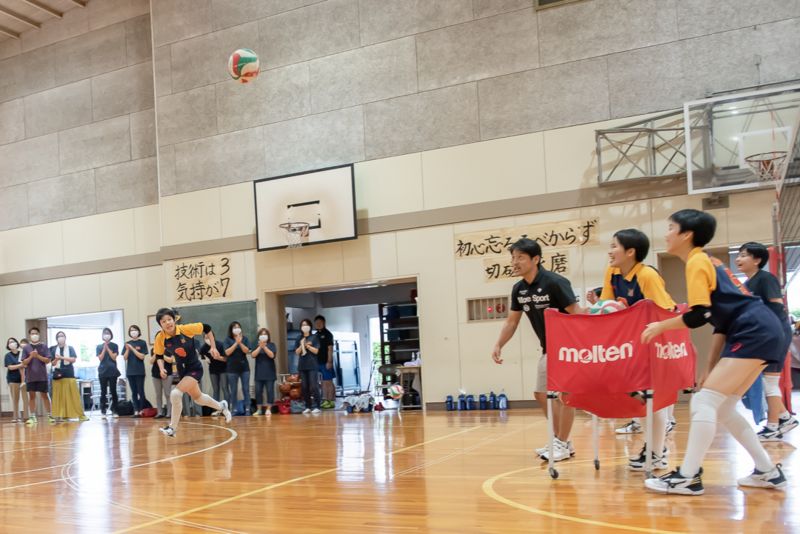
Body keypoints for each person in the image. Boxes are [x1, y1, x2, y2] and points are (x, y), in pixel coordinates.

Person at [641, 209, 786, 495]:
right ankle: (767, 470)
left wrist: (661, 326)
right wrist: (708, 368)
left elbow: (699, 315)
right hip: (758, 330)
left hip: (753, 330)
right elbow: (719, 325)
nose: (666, 233)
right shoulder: (709, 261)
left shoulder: (696, 262)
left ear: (687, 235)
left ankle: (688, 476)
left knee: (703, 403)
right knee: (724, 407)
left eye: (671, 227)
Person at [491, 238, 585, 461]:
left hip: (567, 347)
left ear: (536, 259)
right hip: (548, 348)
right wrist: (498, 344)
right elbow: (512, 322)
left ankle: (561, 442)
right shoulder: (519, 289)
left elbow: (577, 314)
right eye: (513, 258)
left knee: (563, 396)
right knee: (541, 393)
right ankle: (560, 441)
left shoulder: (555, 282)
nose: (515, 262)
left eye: (520, 258)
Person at [598, 228, 678, 471]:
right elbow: (605, 305)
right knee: (639, 400)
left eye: (614, 246)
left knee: (655, 401)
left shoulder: (647, 276)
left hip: (657, 344)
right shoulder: (612, 273)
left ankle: (657, 452)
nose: (610, 251)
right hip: (630, 346)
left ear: (630, 251)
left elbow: (666, 311)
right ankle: (654, 448)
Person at [735, 242, 798, 441]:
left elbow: (776, 307)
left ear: (757, 260)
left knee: (769, 381)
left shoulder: (766, 279)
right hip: (764, 336)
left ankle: (774, 426)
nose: (738, 259)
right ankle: (784, 418)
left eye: (744, 255)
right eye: (738, 255)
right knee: (765, 381)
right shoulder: (747, 284)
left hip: (774, 334)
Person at [153, 308, 231, 437]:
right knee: (198, 398)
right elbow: (159, 355)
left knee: (175, 393)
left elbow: (207, 328)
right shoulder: (160, 337)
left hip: (194, 368)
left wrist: (213, 347)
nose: (167, 323)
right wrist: (161, 368)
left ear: (174, 320)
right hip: (182, 370)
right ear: (160, 324)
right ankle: (222, 406)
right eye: (163, 321)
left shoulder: (185, 329)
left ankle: (172, 428)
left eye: (169, 319)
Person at [49, 331, 87, 422]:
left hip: (69, 374)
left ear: (65, 338)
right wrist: (56, 359)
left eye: (62, 336)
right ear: (56, 339)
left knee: (73, 395)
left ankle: (80, 415)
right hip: (58, 375)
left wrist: (62, 358)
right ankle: (63, 415)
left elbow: (73, 359)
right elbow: (52, 363)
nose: (60, 337)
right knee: (60, 396)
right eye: (58, 336)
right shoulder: (53, 349)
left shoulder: (70, 348)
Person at [21, 327, 53, 424]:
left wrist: (38, 356)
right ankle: (32, 416)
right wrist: (31, 356)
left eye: (36, 333)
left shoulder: (44, 346)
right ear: (29, 335)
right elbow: (24, 363)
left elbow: (48, 360)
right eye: (32, 333)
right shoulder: (26, 348)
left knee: (45, 396)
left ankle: (50, 415)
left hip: (42, 376)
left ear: (39, 334)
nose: (34, 335)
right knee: (32, 396)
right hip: (30, 376)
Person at [224, 321, 252, 416]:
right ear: (231, 330)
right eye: (234, 327)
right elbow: (227, 352)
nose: (237, 329)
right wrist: (236, 343)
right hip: (232, 369)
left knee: (246, 389)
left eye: (238, 327)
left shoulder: (245, 339)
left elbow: (246, 350)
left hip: (244, 368)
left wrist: (240, 343)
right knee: (234, 389)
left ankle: (247, 408)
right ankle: (234, 409)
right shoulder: (227, 340)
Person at [295, 318, 321, 414]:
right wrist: (301, 345)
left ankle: (317, 405)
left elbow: (316, 351)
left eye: (306, 325)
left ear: (310, 326)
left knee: (314, 386)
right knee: (304, 386)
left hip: (312, 365)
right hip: (302, 365)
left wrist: (308, 346)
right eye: (302, 325)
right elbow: (297, 352)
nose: (304, 326)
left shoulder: (314, 337)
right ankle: (308, 406)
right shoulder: (299, 338)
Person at [251, 328, 277, 416]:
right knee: (258, 391)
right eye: (261, 334)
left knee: (270, 391)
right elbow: (253, 355)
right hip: (259, 372)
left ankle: (269, 409)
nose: (263, 335)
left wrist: (264, 347)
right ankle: (259, 409)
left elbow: (272, 355)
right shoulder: (256, 345)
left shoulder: (271, 344)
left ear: (268, 336)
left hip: (270, 372)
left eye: (265, 334)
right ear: (259, 336)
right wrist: (260, 347)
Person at [199, 334, 227, 415]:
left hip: (223, 369)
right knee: (215, 389)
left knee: (224, 388)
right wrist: (205, 359)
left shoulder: (220, 344)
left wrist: (218, 358)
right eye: (206, 338)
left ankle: (228, 408)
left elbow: (226, 358)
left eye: (209, 337)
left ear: (213, 337)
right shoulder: (204, 347)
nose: (208, 339)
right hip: (213, 370)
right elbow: (201, 355)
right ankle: (217, 409)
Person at [96, 327, 120, 419]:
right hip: (102, 371)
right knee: (103, 392)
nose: (106, 335)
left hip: (113, 371)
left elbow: (114, 357)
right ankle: (103, 411)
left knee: (113, 391)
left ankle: (115, 411)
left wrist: (108, 348)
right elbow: (100, 358)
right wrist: (104, 348)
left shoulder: (114, 345)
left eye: (108, 333)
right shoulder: (99, 346)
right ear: (102, 335)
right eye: (105, 333)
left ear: (111, 335)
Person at [5, 337, 29, 422]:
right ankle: (16, 417)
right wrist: (20, 365)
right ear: (8, 345)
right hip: (12, 380)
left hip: (23, 379)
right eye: (10, 342)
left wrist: (23, 365)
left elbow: (26, 364)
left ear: (17, 343)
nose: (12, 343)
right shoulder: (8, 355)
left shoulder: (22, 353)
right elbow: (10, 367)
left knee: (25, 398)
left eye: (13, 341)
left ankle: (26, 417)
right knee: (15, 399)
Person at [314, 315, 336, 408]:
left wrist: (329, 361)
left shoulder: (328, 334)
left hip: (326, 361)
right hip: (317, 362)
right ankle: (325, 399)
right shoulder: (315, 335)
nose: (318, 324)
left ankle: (330, 401)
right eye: (316, 323)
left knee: (328, 381)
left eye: (320, 323)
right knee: (323, 382)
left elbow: (330, 349)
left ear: (324, 323)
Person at [150, 348, 172, 419]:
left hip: (167, 374)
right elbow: (151, 361)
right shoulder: (153, 349)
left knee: (168, 394)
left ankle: (169, 413)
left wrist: (161, 355)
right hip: (155, 374)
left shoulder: (169, 348)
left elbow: (171, 360)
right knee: (158, 394)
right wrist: (156, 353)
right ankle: (160, 412)